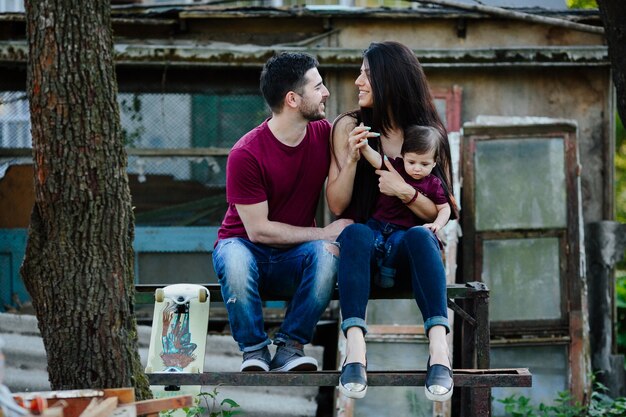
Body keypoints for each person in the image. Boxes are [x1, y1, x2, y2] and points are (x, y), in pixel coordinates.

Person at [326, 41, 458, 401]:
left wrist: (405, 191)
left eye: (366, 74)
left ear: (390, 79)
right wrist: (353, 159)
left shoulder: (428, 134)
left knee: (420, 237)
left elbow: (440, 213)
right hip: (363, 253)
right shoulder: (349, 126)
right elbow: (337, 205)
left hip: (408, 254)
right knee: (353, 232)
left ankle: (440, 355)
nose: (358, 81)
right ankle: (355, 352)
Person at [212, 52, 352, 373]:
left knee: (329, 252)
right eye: (318, 87)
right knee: (234, 258)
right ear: (292, 99)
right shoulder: (245, 154)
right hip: (246, 248)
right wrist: (324, 231)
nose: (326, 92)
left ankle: (290, 348)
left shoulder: (324, 135)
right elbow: (258, 230)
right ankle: (254, 351)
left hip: (295, 257)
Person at [359, 125, 452, 288]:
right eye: (411, 161)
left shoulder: (433, 184)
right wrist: (365, 147)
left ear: (434, 163)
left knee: (396, 244)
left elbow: (445, 208)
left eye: (424, 164)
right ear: (403, 156)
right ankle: (369, 272)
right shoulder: (397, 167)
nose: (417, 168)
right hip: (378, 222)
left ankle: (387, 272)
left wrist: (438, 223)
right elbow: (378, 161)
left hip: (404, 229)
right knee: (370, 240)